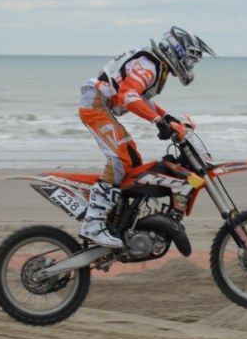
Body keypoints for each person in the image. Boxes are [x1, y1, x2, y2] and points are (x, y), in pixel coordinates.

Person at [78, 26, 216, 247]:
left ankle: (117, 221)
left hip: (100, 104)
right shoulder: (150, 66)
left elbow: (139, 97)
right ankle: (93, 225)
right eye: (190, 60)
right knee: (120, 159)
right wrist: (158, 121)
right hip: (96, 104)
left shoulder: (154, 64)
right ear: (177, 52)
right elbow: (128, 96)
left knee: (133, 161)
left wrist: (166, 117)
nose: (190, 66)